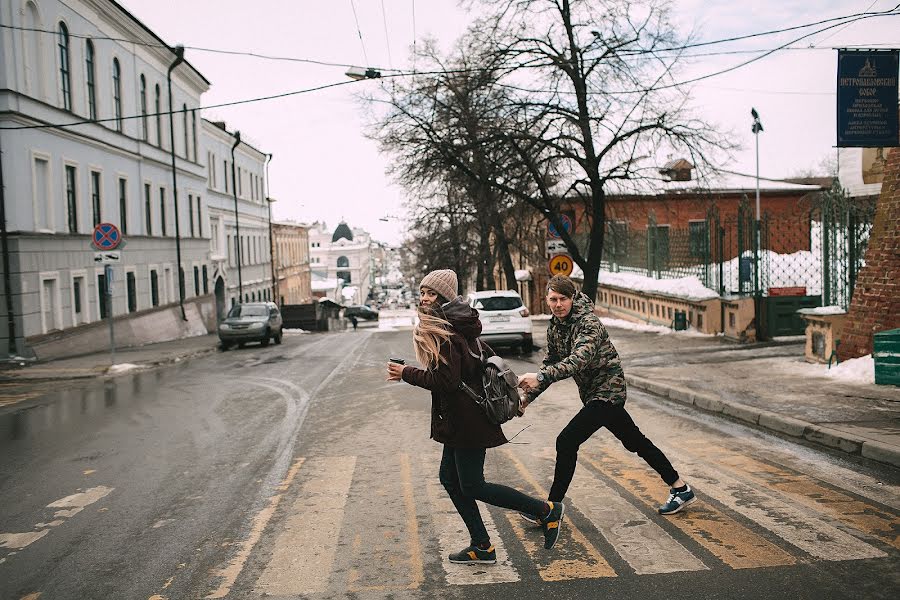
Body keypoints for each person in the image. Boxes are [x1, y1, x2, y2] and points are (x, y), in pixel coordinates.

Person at [387, 269, 565, 564]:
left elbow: (446, 381)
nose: (425, 299)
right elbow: (483, 361)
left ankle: (545, 511)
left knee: (472, 485)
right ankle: (482, 545)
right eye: (422, 292)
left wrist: (406, 372)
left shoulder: (448, 331)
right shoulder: (460, 323)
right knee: (450, 478)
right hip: (461, 421)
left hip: (468, 421)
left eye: (431, 293)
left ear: (444, 298)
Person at [518, 275, 696, 516]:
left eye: (563, 299)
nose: (558, 304)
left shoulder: (588, 323)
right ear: (546, 300)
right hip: (592, 394)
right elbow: (551, 362)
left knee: (567, 441)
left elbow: (577, 360)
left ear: (572, 298)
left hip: (608, 391)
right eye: (553, 299)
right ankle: (680, 487)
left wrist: (539, 377)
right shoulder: (556, 326)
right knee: (636, 441)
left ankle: (550, 508)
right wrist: (528, 398)